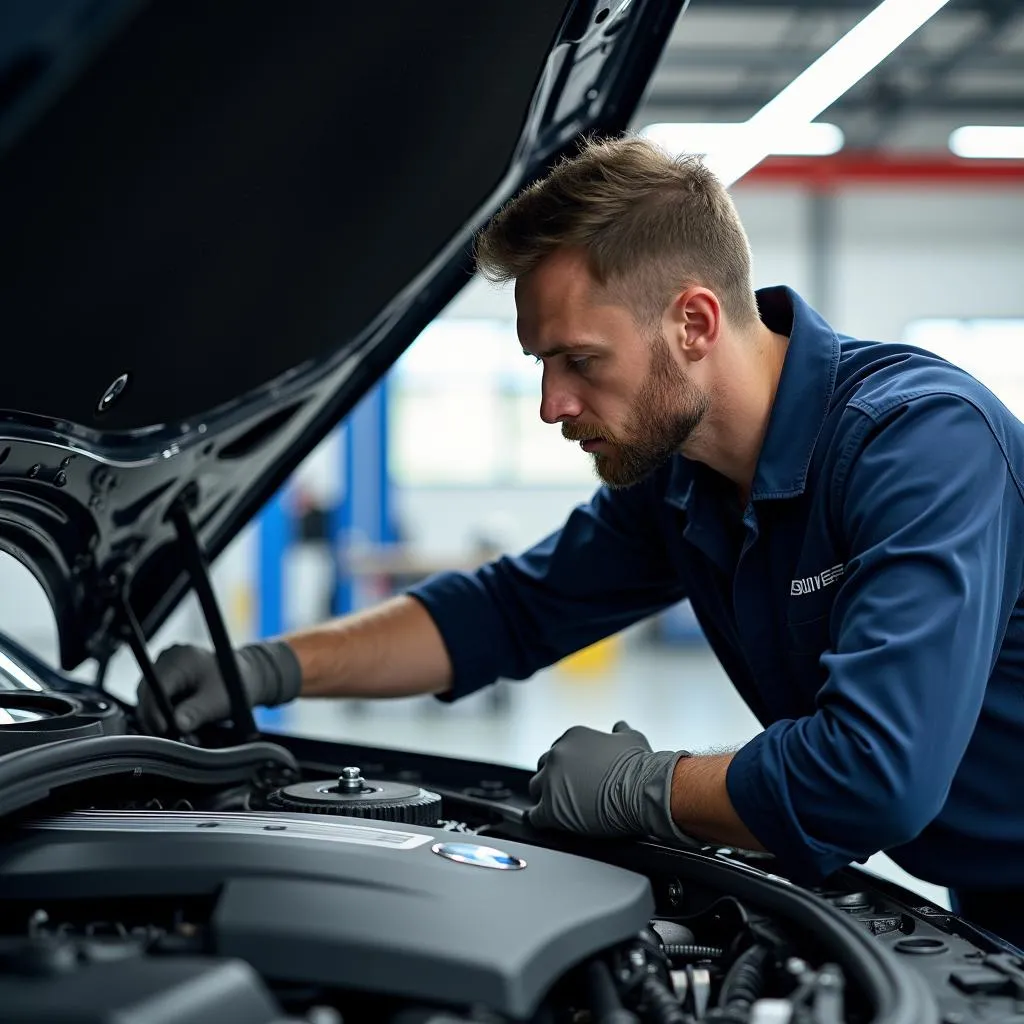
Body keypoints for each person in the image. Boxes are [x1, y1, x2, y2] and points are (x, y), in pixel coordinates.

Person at [136, 136, 1024, 949]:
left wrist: (646, 787)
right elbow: (506, 611)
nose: (552, 404)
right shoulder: (681, 476)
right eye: (541, 365)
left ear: (695, 323)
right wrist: (261, 669)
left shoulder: (919, 446)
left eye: (581, 360)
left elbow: (876, 775)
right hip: (987, 892)